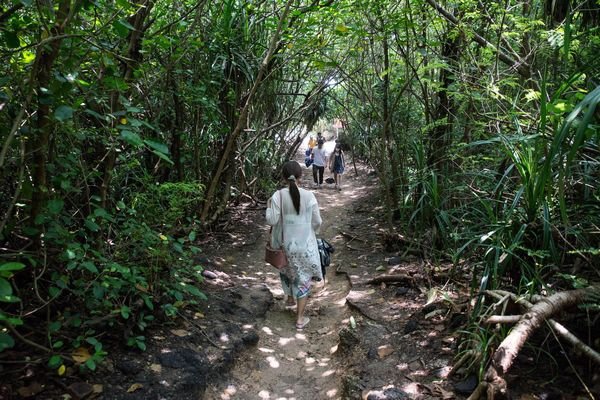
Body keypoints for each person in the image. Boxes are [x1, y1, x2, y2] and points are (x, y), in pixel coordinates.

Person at [266, 161, 323, 330]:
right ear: (301, 176)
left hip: (285, 245)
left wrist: (269, 206)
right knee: (303, 278)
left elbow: (271, 220)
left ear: (283, 177)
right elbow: (317, 221)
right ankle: (299, 319)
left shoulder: (278, 196)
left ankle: (290, 299)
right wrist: (311, 231)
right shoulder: (309, 196)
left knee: (287, 270)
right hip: (305, 245)